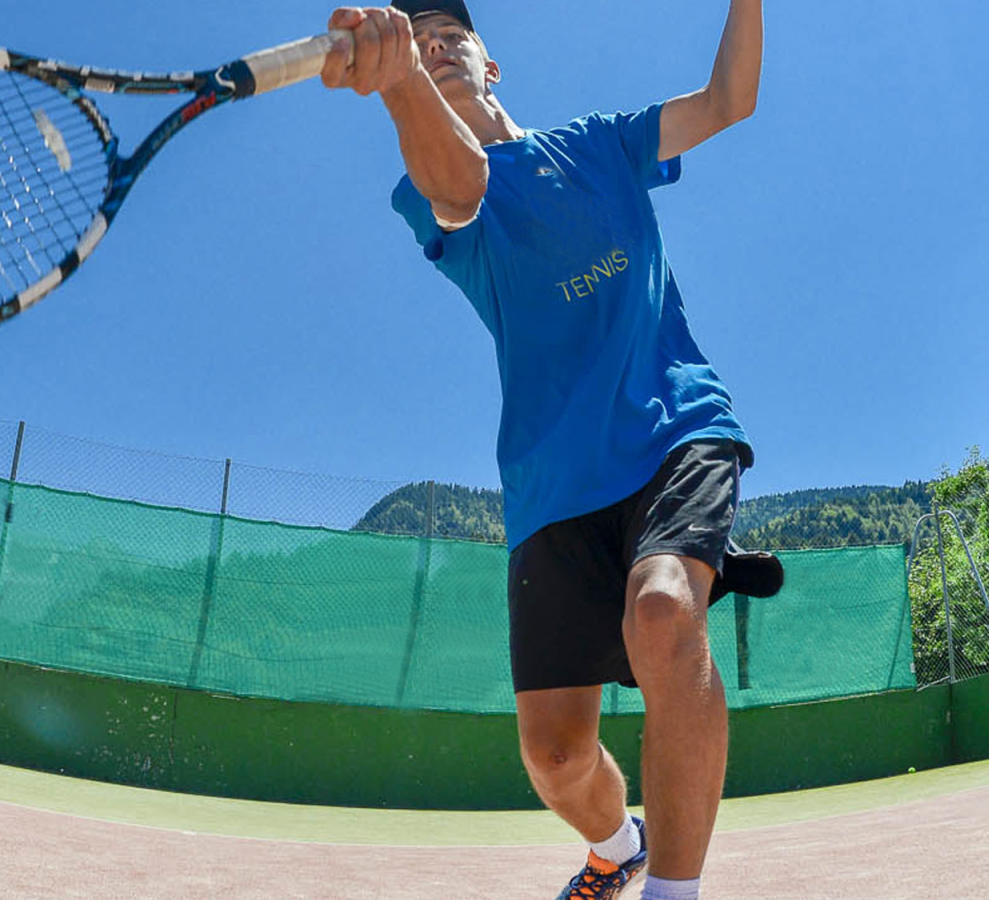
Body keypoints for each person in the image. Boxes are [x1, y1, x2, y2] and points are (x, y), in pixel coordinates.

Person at [321, 3, 762, 898]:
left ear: (494, 62)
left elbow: (728, 99)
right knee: (557, 756)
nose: (436, 40)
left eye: (452, 33)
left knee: (665, 611)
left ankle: (673, 892)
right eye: (417, 33)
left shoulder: (602, 144)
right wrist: (401, 77)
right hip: (551, 488)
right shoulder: (431, 185)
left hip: (673, 427)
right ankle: (616, 847)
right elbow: (461, 186)